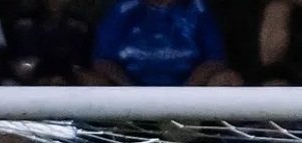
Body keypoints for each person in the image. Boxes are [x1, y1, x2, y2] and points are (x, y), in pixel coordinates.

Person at [89, 0, 242, 87]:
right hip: (129, 92)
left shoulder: (198, 8)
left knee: (229, 80)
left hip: (190, 93)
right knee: (90, 82)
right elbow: (102, 60)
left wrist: (188, 89)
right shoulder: (122, 9)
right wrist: (130, 89)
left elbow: (215, 59)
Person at [5, 0, 94, 85]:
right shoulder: (23, 26)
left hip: (69, 88)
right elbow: (16, 66)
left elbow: (82, 69)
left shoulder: (80, 29)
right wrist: (41, 76)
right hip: (29, 87)